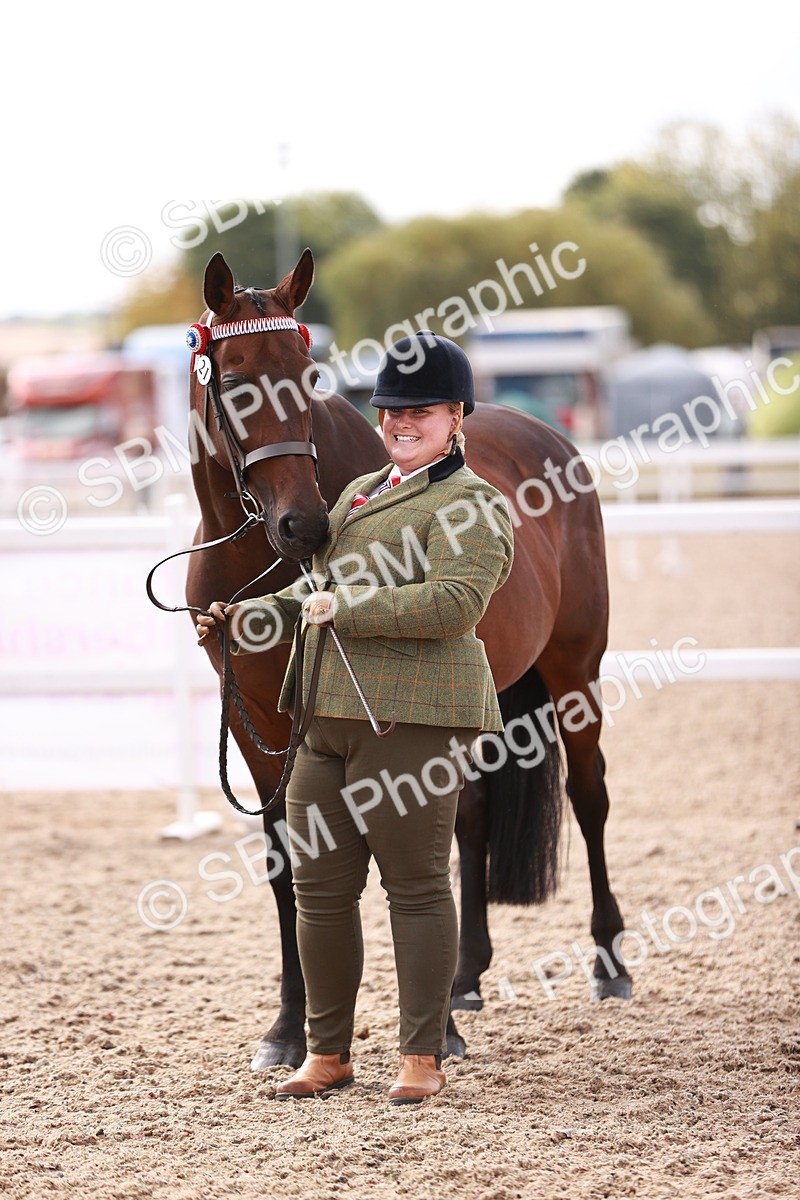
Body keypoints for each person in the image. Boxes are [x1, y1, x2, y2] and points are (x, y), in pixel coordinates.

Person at [197, 332, 514, 1104]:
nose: (404, 422)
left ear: (457, 417)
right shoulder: (361, 494)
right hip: (327, 715)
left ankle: (419, 1057)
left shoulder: (474, 504)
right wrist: (244, 616)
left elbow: (455, 604)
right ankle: (328, 1051)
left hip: (410, 716)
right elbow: (313, 587)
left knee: (413, 886)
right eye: (394, 410)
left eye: (423, 411)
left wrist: (350, 606)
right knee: (319, 891)